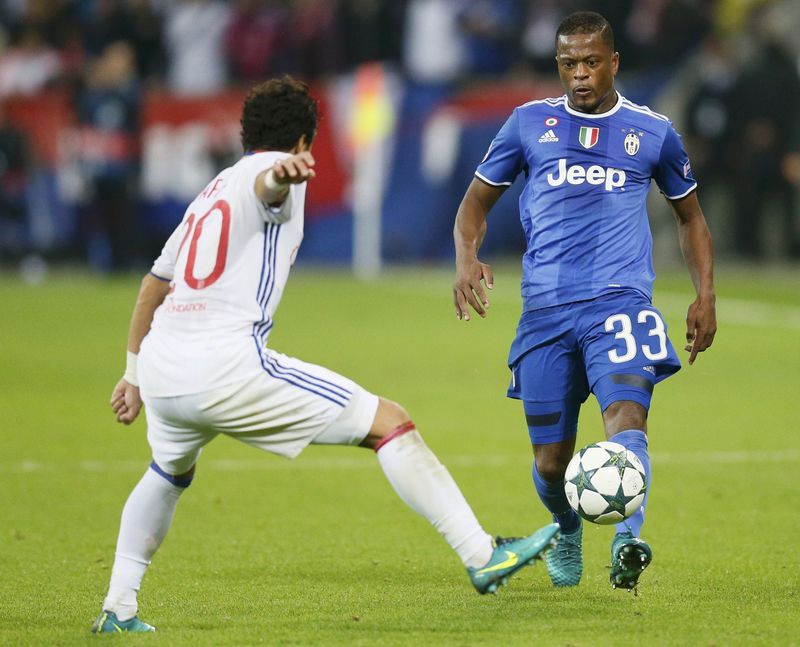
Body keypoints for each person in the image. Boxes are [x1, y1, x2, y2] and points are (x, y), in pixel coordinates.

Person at [91, 76, 559, 634]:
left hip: (165, 366)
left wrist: (133, 373)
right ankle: (482, 555)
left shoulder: (212, 190)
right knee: (389, 422)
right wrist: (278, 176)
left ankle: (118, 607)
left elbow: (153, 283)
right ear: (304, 142)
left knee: (166, 473)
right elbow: (268, 189)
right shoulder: (274, 176)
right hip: (223, 366)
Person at [452, 11, 716, 592]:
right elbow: (474, 204)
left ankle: (628, 542)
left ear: (614, 62)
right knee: (551, 461)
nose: (580, 74)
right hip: (545, 311)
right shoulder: (527, 125)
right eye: (569, 63)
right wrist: (467, 258)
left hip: (620, 303)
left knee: (627, 421)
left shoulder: (653, 131)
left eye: (591, 62)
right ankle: (566, 526)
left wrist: (706, 293)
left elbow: (690, 217)